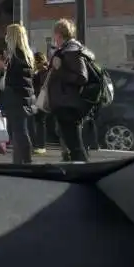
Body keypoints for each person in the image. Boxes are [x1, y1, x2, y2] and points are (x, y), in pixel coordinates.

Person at [46, 18, 92, 162]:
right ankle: (76, 167)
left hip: (69, 106)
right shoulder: (65, 50)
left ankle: (83, 171)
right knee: (72, 145)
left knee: (75, 145)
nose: (54, 38)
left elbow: (81, 77)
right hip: (64, 104)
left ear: (59, 34)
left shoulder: (71, 50)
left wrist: (59, 70)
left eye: (55, 34)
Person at [0, 23, 36, 164]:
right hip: (20, 97)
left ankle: (26, 161)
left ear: (13, 36)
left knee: (20, 132)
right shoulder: (22, 55)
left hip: (18, 98)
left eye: (8, 34)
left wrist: (6, 70)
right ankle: (19, 161)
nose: (6, 37)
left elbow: (15, 80)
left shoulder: (18, 56)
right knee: (18, 132)